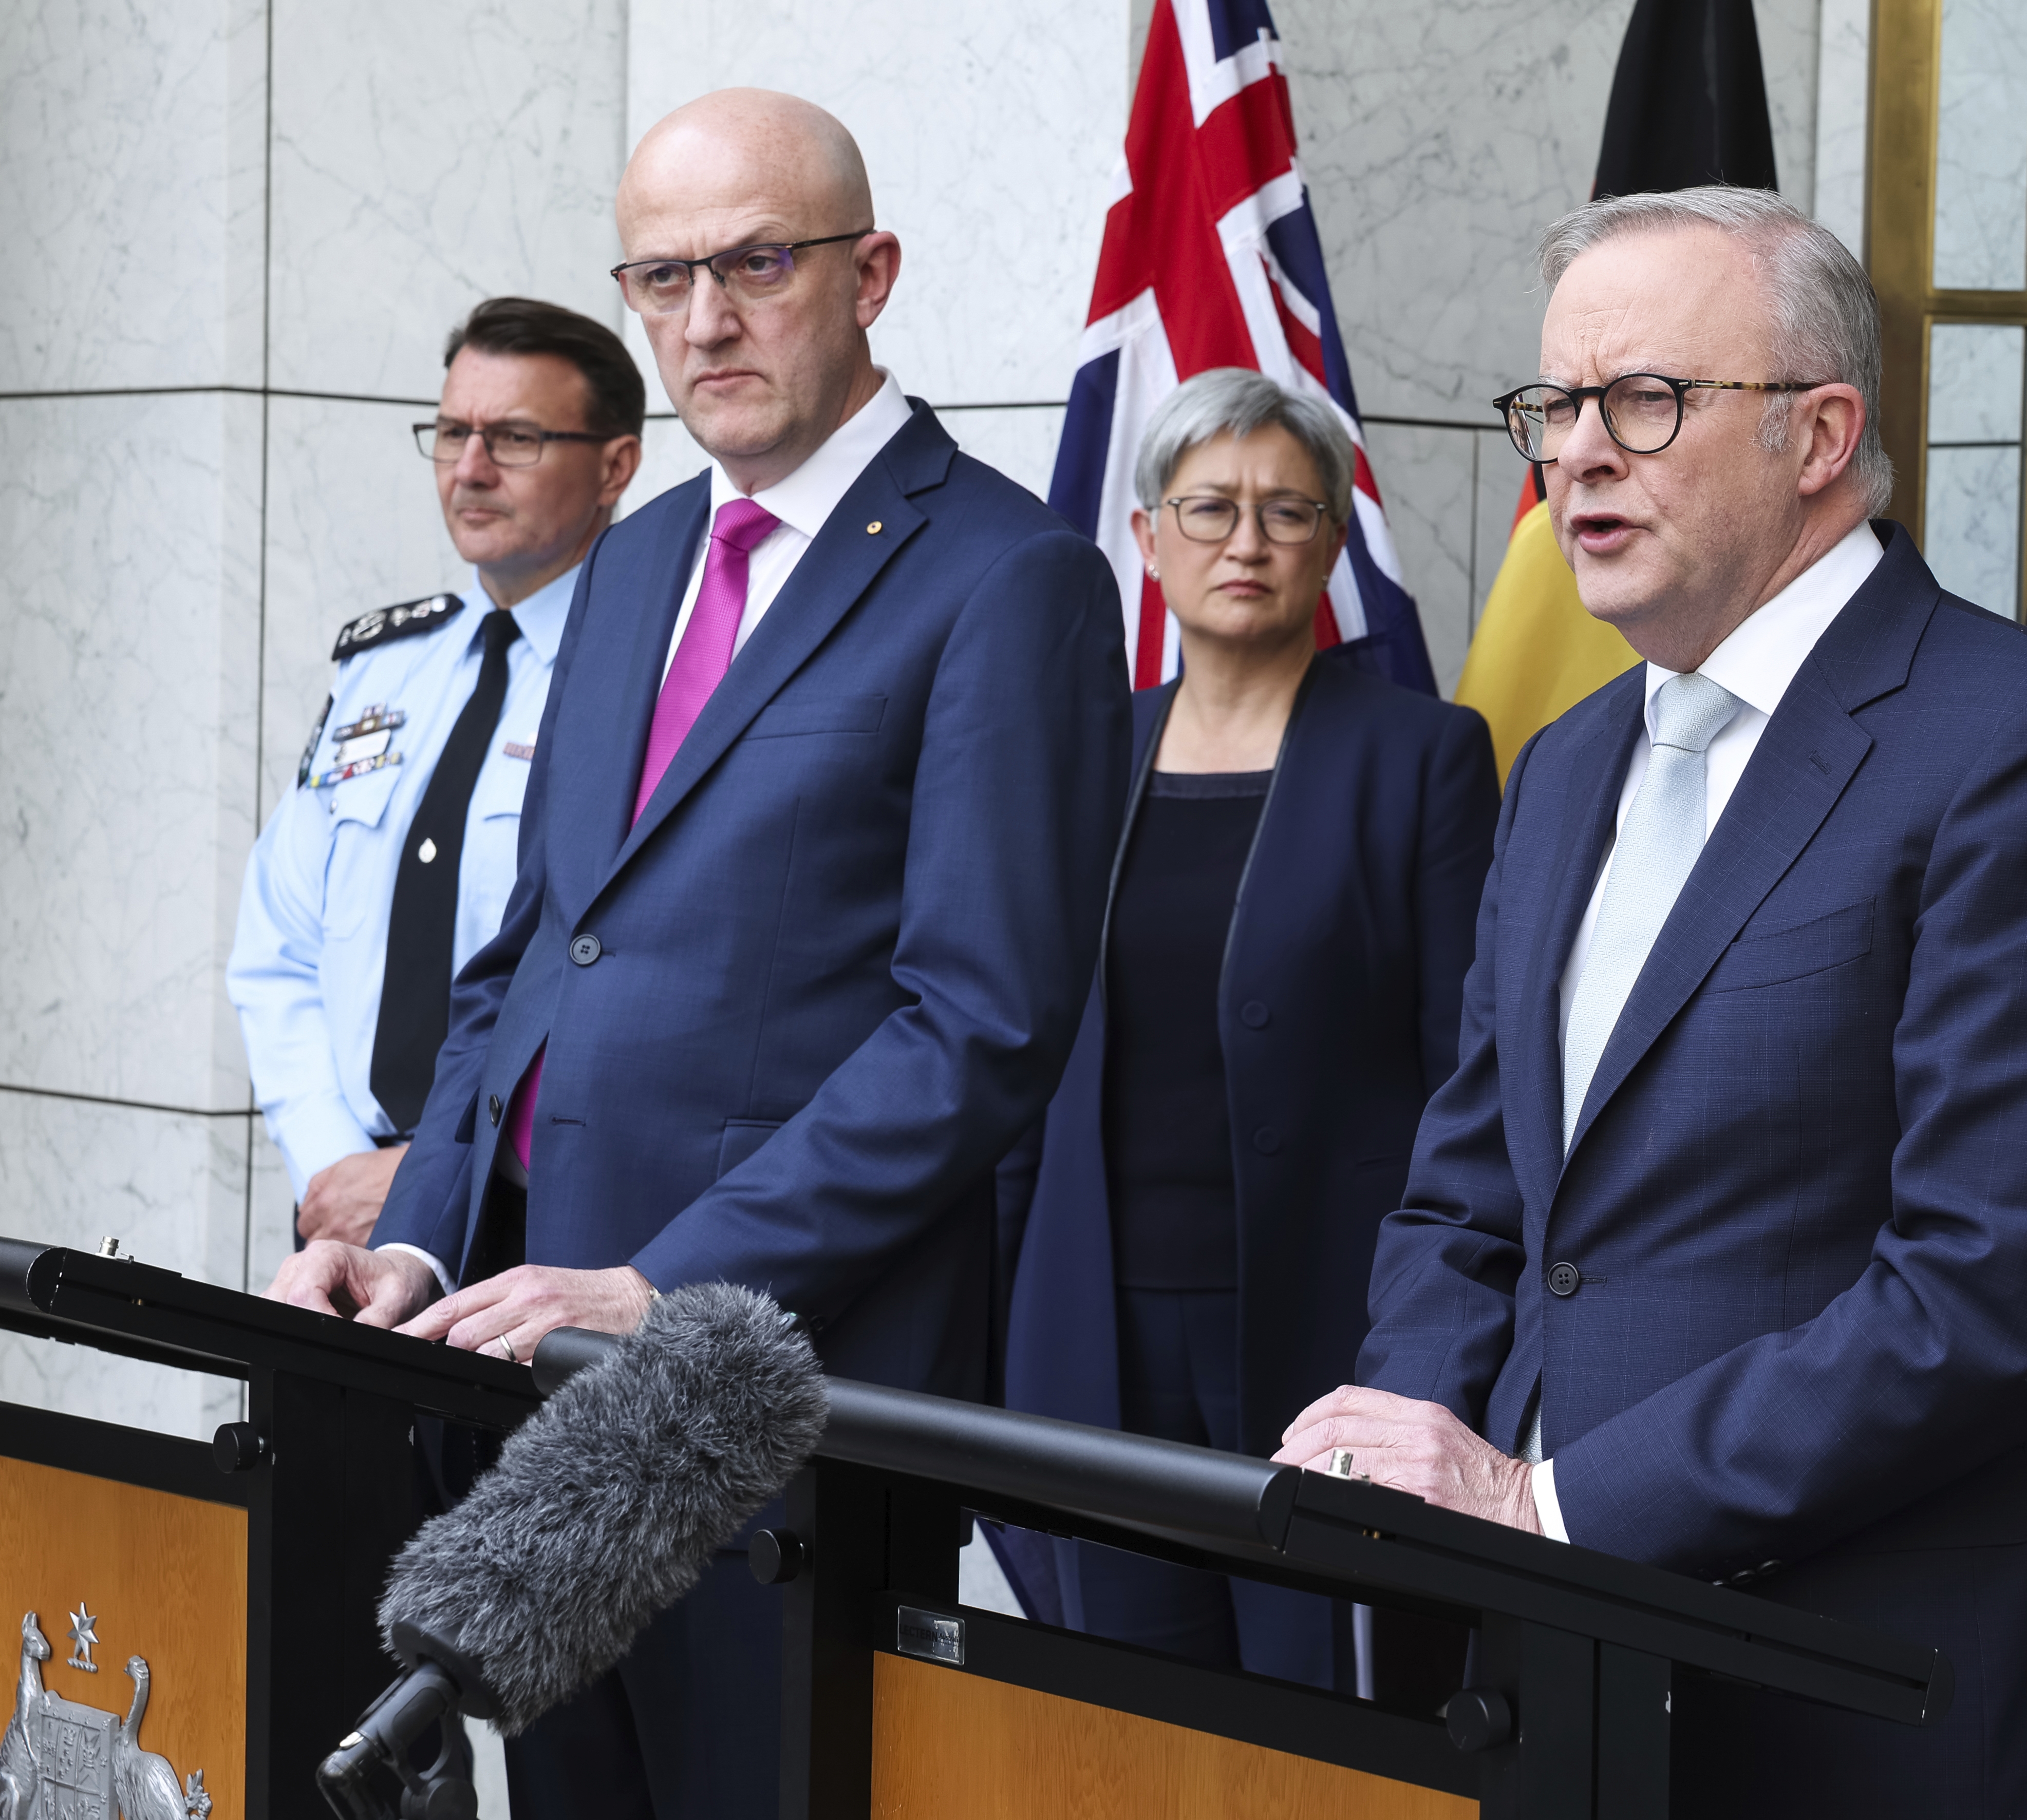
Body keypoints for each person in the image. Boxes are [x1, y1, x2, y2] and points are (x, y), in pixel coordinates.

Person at [264, 89, 1132, 1819]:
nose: (705, 320)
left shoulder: (1006, 576)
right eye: (661, 278)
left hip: (767, 1407)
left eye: (756, 264)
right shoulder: (640, 552)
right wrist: (419, 1238)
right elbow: (535, 951)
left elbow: (976, 1027)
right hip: (528, 1373)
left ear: (869, 274)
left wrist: (660, 1284)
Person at [1275, 187, 2027, 1813]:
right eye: (1556, 405)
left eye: (1642, 400)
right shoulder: (1565, 766)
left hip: (1870, 1689)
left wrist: (1554, 1503)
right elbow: (1471, 1193)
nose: (1576, 454)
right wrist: (1405, 1429)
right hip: (1559, 1675)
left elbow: (1985, 1294)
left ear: (1819, 434)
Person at [995, 368, 1497, 1690]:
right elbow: (1011, 1058)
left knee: (1316, 1706)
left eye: (1287, 510)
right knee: (1125, 1709)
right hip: (1089, 1324)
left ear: (1331, 544)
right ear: (1148, 537)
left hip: (1322, 1327)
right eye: (1209, 507)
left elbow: (1466, 1078)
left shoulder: (1423, 756)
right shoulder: (1080, 755)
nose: (1247, 541)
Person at [229, 298, 643, 1248]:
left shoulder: (647, 680)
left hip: (532, 1214)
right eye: (453, 432)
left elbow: (617, 979)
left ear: (616, 465)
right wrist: (330, 1162)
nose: (471, 469)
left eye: (517, 438)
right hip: (341, 1210)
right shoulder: (383, 668)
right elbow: (277, 943)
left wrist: (435, 1169)